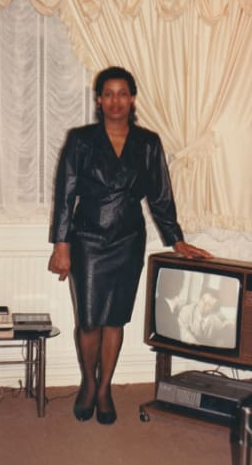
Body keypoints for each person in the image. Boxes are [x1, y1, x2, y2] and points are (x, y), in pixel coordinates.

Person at [48, 66, 211, 425]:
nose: (115, 101)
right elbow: (65, 194)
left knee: (115, 320)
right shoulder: (81, 140)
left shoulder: (148, 142)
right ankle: (87, 384)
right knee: (89, 322)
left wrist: (177, 239)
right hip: (87, 239)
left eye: (123, 93)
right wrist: (62, 244)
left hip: (128, 240)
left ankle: (104, 388)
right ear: (98, 100)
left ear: (133, 99)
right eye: (108, 94)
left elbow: (161, 196)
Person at [154, 269, 186, 340]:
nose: (181, 286)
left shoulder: (159, 302)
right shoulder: (163, 308)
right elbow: (174, 335)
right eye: (179, 282)